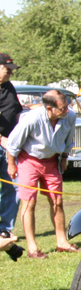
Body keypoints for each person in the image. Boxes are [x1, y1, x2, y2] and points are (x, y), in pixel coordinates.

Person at [5, 90, 81, 258]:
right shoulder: (32, 118)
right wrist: (11, 164)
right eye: (62, 108)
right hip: (29, 160)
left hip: (52, 161)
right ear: (49, 108)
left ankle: (62, 242)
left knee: (57, 201)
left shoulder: (70, 116)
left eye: (67, 106)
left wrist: (64, 158)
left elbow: (69, 139)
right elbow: (13, 143)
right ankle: (33, 248)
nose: (66, 111)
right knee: (29, 203)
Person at [0, 53, 22, 245]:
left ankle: (5, 229)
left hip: (10, 146)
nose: (10, 73)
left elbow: (17, 111)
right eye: (7, 70)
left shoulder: (8, 87)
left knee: (13, 186)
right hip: (2, 142)